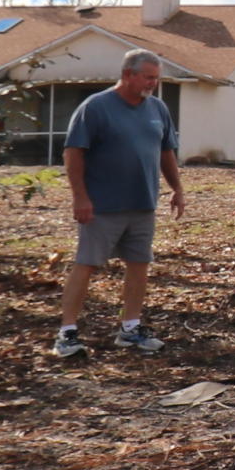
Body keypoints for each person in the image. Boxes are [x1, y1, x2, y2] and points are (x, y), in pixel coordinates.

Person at [52, 51, 185, 356]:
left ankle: (130, 328)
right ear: (128, 75)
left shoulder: (157, 109)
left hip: (142, 204)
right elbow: (74, 153)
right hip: (102, 206)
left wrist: (177, 188)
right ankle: (67, 333)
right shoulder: (96, 108)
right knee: (86, 264)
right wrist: (80, 197)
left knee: (139, 265)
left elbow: (167, 152)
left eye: (156, 77)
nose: (154, 83)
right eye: (149, 77)